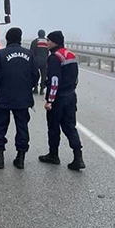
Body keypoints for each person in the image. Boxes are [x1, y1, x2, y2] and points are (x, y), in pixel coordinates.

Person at [0, 28, 39, 169]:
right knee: (22, 127)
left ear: (8, 38)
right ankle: (21, 158)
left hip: (3, 97)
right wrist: (28, 87)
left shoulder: (0, 54)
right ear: (20, 38)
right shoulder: (29, 54)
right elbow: (35, 75)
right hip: (23, 98)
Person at [38, 31, 86, 170]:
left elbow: (54, 81)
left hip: (59, 98)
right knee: (70, 127)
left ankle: (53, 155)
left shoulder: (54, 57)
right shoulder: (71, 55)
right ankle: (78, 157)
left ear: (55, 42)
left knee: (53, 127)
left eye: (48, 41)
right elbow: (75, 77)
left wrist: (50, 101)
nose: (46, 43)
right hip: (71, 96)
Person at [29, 29, 50, 94]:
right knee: (44, 75)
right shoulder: (47, 42)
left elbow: (31, 52)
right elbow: (48, 51)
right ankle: (42, 89)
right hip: (45, 60)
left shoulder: (35, 41)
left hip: (36, 60)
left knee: (35, 74)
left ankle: (35, 88)